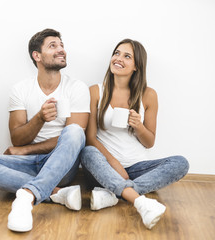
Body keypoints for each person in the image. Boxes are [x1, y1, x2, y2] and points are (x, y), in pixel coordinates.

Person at [0, 28, 90, 232]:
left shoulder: (77, 88)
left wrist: (26, 150)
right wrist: (40, 118)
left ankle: (26, 196)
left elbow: (74, 141)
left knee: (75, 132)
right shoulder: (21, 89)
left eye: (61, 45)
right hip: (29, 164)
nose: (61, 49)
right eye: (53, 46)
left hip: (61, 164)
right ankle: (55, 192)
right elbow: (17, 138)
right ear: (37, 56)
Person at [80, 39, 189, 229]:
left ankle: (113, 194)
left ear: (136, 66)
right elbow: (90, 139)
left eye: (126, 56)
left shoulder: (149, 95)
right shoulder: (95, 91)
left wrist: (138, 126)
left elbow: (149, 142)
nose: (118, 58)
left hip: (136, 168)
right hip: (103, 167)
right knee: (86, 153)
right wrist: (114, 164)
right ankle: (139, 201)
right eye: (116, 53)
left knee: (180, 163)